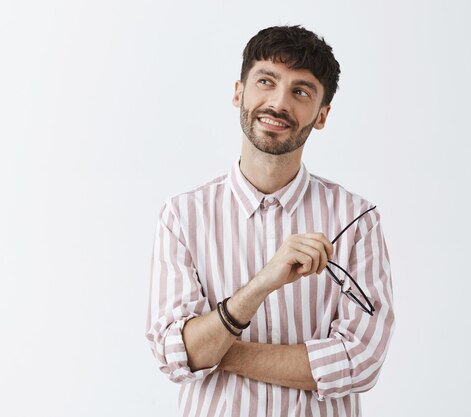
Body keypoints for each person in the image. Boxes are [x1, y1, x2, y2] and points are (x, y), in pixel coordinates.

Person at [145, 25, 395, 417]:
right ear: (238, 92)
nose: (278, 103)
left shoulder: (356, 220)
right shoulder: (183, 216)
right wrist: (263, 283)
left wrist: (219, 349)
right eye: (266, 81)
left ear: (322, 115)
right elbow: (175, 355)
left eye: (300, 91)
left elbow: (360, 361)